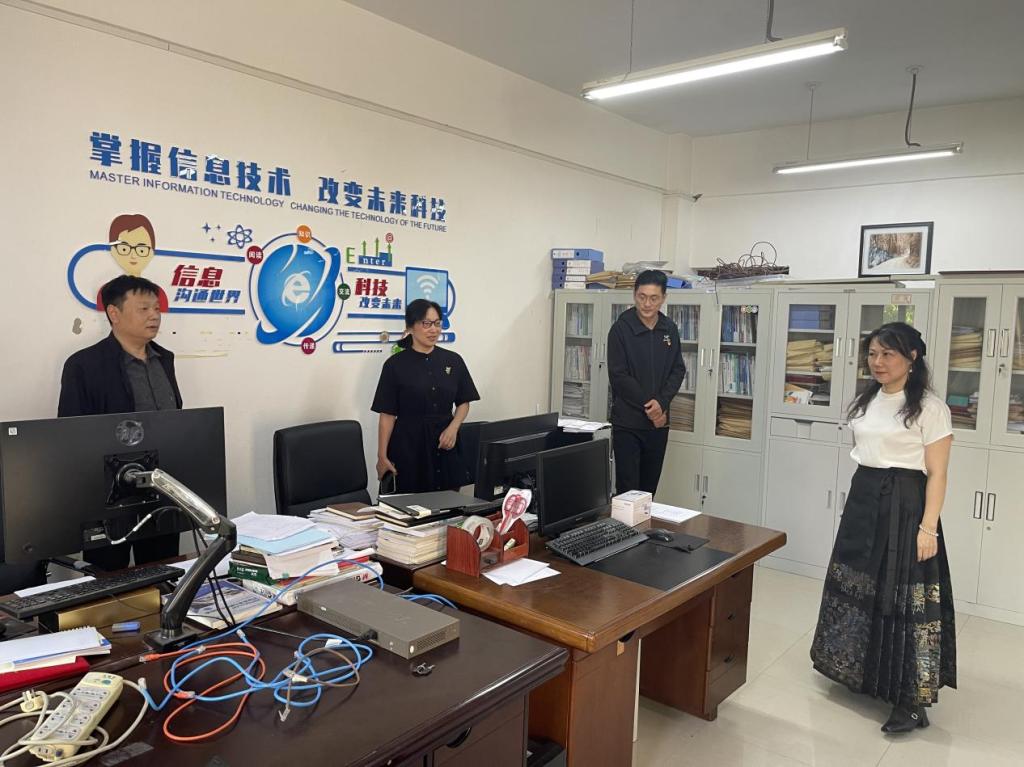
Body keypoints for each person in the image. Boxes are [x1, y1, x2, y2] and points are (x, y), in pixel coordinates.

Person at [810, 322, 956, 734]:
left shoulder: (929, 407)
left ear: (912, 358)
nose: (878, 362)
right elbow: (865, 452)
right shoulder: (867, 399)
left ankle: (911, 701)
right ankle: (865, 672)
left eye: (888, 354)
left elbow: (938, 474)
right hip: (865, 498)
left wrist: (928, 528)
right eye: (873, 353)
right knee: (860, 585)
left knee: (904, 596)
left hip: (905, 504)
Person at [58, 274, 183, 570]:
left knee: (163, 573)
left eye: (157, 308)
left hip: (161, 491)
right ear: (114, 313)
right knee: (109, 580)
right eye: (144, 309)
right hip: (109, 499)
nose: (154, 316)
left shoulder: (164, 359)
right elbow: (70, 434)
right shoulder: (84, 365)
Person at [372, 299, 479, 494]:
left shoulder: (453, 360)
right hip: (409, 447)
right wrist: (382, 456)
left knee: (449, 503)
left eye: (437, 323)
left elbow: (464, 402)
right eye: (426, 323)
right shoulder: (394, 365)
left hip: (445, 445)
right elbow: (387, 415)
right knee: (410, 505)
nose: (433, 330)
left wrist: (454, 428)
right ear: (410, 327)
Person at [607, 270, 686, 495]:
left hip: (658, 425)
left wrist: (661, 403)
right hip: (628, 424)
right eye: (642, 297)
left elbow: (677, 369)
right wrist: (651, 407)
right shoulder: (621, 329)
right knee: (628, 491)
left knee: (649, 491)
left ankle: (645, 523)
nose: (647, 304)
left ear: (663, 298)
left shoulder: (669, 328)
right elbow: (619, 376)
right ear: (634, 295)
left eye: (654, 298)